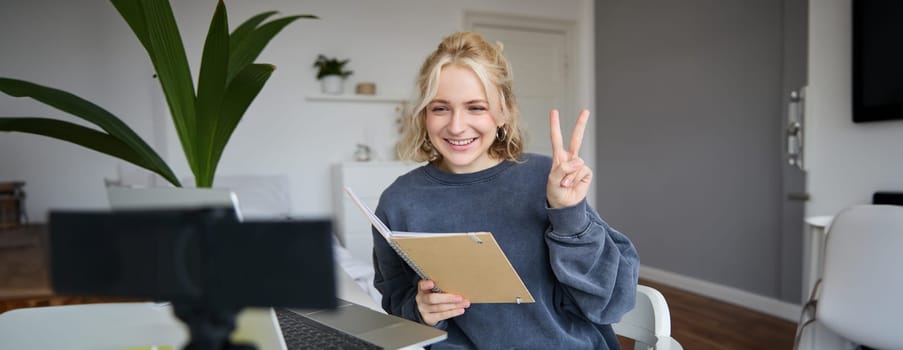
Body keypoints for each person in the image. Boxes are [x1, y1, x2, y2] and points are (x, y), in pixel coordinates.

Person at [372, 31, 639, 349]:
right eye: (440, 108)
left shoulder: (547, 179)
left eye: (476, 108)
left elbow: (611, 302)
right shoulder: (398, 201)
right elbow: (396, 301)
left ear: (504, 113)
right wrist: (420, 310)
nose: (456, 126)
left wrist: (569, 215)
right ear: (424, 114)